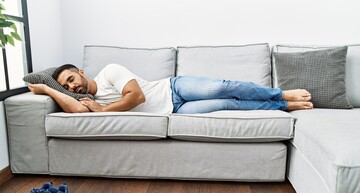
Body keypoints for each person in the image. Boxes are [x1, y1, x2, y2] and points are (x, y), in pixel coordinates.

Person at [28, 63, 313, 114]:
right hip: (176, 111)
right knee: (229, 104)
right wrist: (50, 90)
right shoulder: (86, 101)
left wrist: (102, 108)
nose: (72, 86)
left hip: (173, 88)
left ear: (80, 71)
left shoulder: (109, 73)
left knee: (223, 89)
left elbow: (137, 97)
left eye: (71, 79)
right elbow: (76, 110)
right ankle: (282, 105)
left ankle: (279, 93)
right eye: (66, 86)